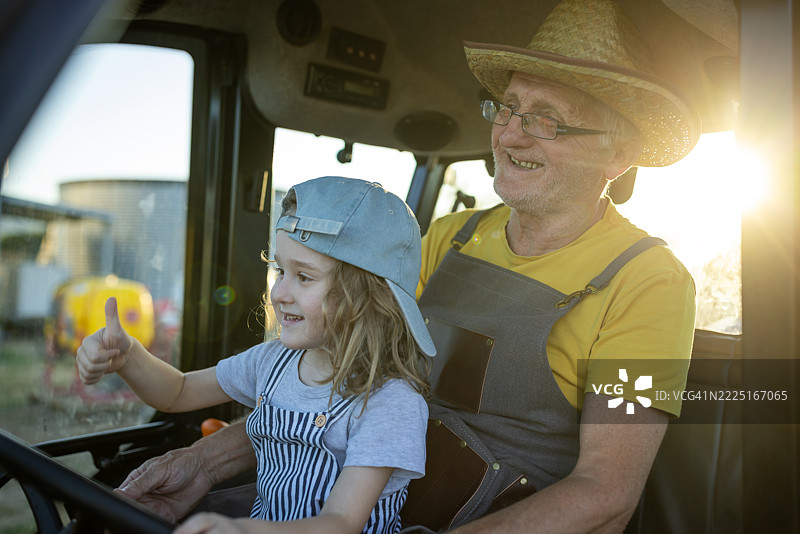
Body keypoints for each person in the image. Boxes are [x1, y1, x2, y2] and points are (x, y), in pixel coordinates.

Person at [109, 0, 699, 532]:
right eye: (508, 108)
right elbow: (336, 390)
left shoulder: (649, 283)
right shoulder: (448, 238)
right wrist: (202, 464)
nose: (510, 135)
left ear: (619, 153)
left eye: (547, 119)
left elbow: (606, 493)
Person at [76, 176, 436, 534]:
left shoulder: (391, 404)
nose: (278, 293)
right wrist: (128, 356)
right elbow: (178, 391)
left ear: (366, 298)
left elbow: (340, 523)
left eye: (304, 277)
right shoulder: (272, 362)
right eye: (280, 271)